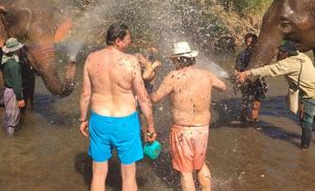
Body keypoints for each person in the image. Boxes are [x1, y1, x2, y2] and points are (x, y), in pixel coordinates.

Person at [79, 23, 157, 191]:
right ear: (118, 40)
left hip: (99, 121)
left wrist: (83, 119)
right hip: (126, 123)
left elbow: (86, 94)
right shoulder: (130, 61)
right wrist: (150, 127)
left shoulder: (91, 59)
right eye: (127, 40)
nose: (129, 43)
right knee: (128, 174)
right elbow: (143, 98)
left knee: (98, 173)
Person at [151, 41, 226, 191]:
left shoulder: (173, 77)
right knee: (200, 164)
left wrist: (151, 80)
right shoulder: (206, 75)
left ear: (177, 60)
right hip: (202, 128)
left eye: (173, 60)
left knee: (185, 172)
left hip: (182, 130)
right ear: (191, 58)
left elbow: (154, 98)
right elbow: (223, 87)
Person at [236, 40, 315, 151]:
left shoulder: (289, 64)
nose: (279, 53)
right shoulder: (303, 57)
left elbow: (268, 70)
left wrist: (247, 73)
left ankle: (304, 151)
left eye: (281, 51)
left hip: (311, 98)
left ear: (286, 53)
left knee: (306, 124)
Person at [234, 33, 268, 123]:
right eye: (249, 42)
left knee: (256, 105)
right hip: (246, 81)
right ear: (245, 42)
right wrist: (237, 81)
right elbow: (237, 70)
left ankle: (254, 124)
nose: (251, 44)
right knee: (245, 103)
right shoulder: (242, 55)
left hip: (259, 82)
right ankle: (243, 120)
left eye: (253, 42)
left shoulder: (261, 55)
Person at [1, 37, 26, 136]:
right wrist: (20, 99)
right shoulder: (14, 65)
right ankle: (11, 144)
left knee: (9, 116)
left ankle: (6, 135)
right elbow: (17, 84)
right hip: (13, 93)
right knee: (12, 122)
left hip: (7, 91)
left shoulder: (7, 61)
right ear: (15, 50)